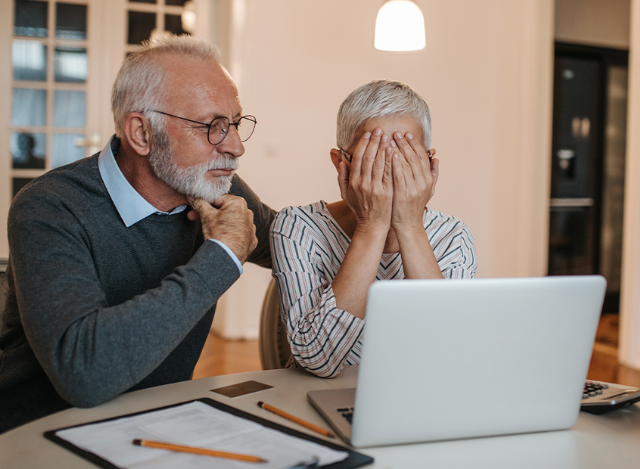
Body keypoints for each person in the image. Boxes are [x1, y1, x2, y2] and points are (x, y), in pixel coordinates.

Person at [0, 35, 275, 433]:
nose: (235, 146)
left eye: (234, 123)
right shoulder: (48, 208)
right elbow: (84, 375)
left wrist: (368, 201)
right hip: (36, 436)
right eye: (213, 127)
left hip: (155, 426)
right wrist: (221, 256)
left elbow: (287, 237)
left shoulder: (210, 187)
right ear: (142, 134)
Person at [271, 80, 477, 378]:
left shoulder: (453, 237)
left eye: (407, 158)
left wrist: (409, 225)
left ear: (429, 166)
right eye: (374, 159)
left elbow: (447, 355)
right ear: (341, 163)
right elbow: (317, 359)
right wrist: (372, 225)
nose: (390, 173)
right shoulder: (297, 227)